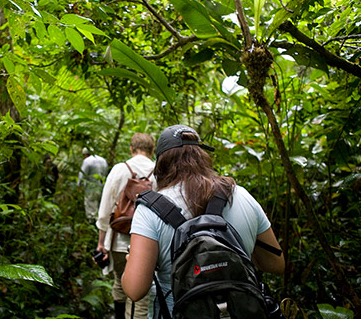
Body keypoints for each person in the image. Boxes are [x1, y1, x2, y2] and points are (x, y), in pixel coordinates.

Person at [122, 125, 285, 318]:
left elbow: (135, 290)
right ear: (202, 156)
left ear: (161, 164)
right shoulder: (240, 195)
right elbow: (276, 264)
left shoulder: (149, 211)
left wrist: (130, 263)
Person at [95, 133, 156, 319]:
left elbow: (105, 209)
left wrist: (101, 243)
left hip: (118, 241)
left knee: (120, 282)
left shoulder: (120, 170)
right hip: (147, 243)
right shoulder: (158, 172)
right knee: (141, 294)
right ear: (152, 150)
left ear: (131, 149)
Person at [78, 148, 108, 222]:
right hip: (102, 188)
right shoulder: (103, 160)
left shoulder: (87, 161)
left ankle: (92, 224)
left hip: (91, 188)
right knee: (100, 207)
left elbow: (82, 175)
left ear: (85, 155)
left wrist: (79, 185)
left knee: (91, 207)